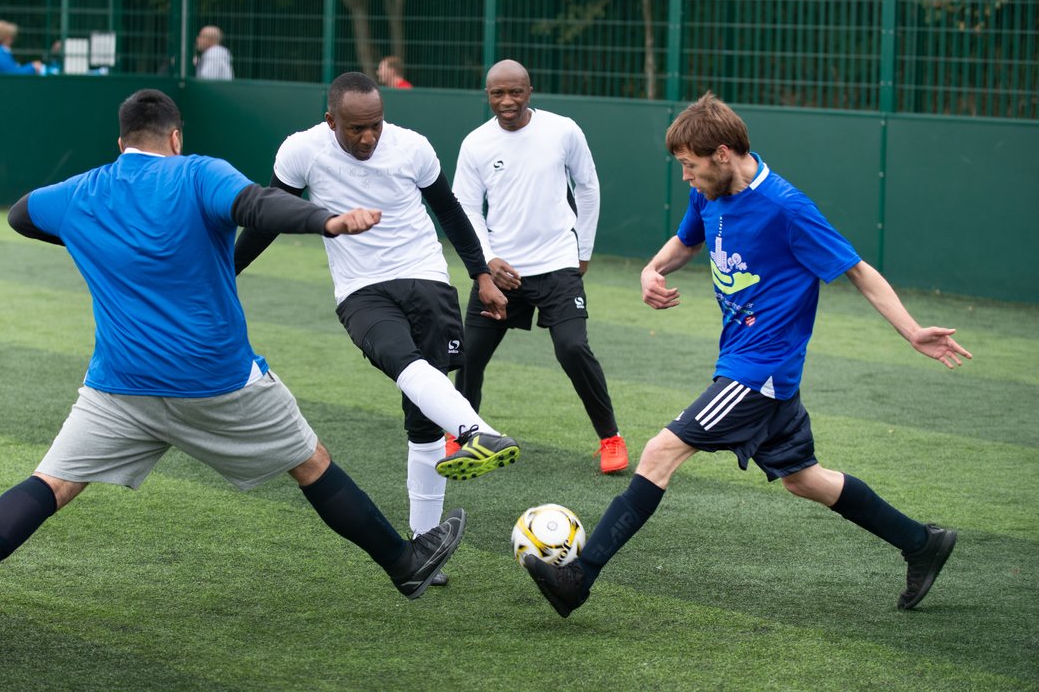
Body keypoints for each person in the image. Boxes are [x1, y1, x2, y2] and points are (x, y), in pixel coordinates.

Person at [0, 88, 465, 644]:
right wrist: (327, 221)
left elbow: (20, 214)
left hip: (119, 386)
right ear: (175, 136)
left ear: (121, 142)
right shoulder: (198, 172)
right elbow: (257, 206)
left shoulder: (82, 192)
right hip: (218, 381)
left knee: (53, 483)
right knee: (310, 462)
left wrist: (93, 237)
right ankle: (404, 563)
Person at [523, 92, 970, 617]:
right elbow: (686, 241)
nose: (686, 177)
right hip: (753, 368)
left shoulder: (786, 207)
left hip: (759, 371)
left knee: (659, 453)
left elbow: (857, 270)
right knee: (805, 479)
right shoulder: (708, 194)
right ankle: (921, 543)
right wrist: (652, 269)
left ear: (723, 154)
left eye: (690, 166)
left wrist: (914, 331)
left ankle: (579, 577)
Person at [232, 72, 520, 576]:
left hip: (425, 278)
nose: (367, 138)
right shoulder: (302, 151)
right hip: (361, 289)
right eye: (355, 129)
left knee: (422, 419)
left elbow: (450, 213)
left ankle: (426, 550)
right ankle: (478, 431)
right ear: (330, 121)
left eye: (375, 126)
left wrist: (481, 274)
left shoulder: (412, 148)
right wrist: (224, 273)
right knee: (397, 357)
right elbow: (268, 217)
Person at [451, 59, 627, 474]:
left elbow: (587, 186)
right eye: (498, 93)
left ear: (529, 92)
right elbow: (466, 209)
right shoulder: (475, 143)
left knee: (572, 347)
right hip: (500, 272)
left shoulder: (562, 130)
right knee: (468, 355)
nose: (507, 101)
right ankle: (461, 438)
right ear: (488, 95)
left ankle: (610, 439)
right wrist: (487, 262)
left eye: (515, 92)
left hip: (557, 264)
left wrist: (583, 247)